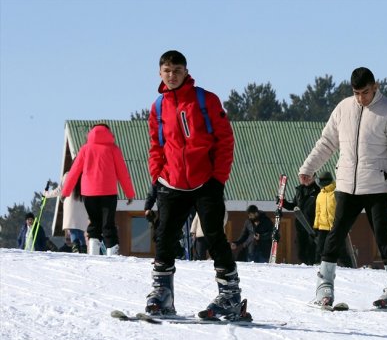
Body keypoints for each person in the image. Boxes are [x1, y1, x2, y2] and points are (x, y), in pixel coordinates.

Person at [298, 67, 387, 308]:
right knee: (335, 232)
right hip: (347, 185)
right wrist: (309, 167)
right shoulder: (344, 108)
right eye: (357, 93)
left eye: (366, 92)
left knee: (383, 234)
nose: (361, 98)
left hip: (377, 186)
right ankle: (324, 284)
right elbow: (327, 142)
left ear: (376, 86)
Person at [145, 49, 242, 318]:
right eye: (167, 71)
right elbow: (156, 145)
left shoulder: (205, 100)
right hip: (171, 182)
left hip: (205, 181)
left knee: (213, 235)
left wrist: (218, 177)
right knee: (164, 236)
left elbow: (225, 140)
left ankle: (229, 295)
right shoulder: (158, 107)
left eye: (177, 70)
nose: (172, 75)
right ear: (160, 73)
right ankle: (162, 293)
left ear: (186, 72)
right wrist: (157, 177)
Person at [62, 123, 135, 256]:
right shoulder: (113, 149)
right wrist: (129, 193)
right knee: (108, 223)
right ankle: (112, 250)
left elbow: (74, 172)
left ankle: (93, 249)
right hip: (109, 192)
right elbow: (123, 173)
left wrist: (65, 191)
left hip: (89, 193)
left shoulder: (85, 149)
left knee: (94, 221)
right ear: (109, 133)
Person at [313, 171, 352, 267]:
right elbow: (318, 212)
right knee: (320, 248)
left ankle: (347, 266)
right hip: (323, 227)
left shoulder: (336, 193)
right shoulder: (320, 195)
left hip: (335, 226)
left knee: (340, 248)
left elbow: (343, 210)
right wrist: (316, 226)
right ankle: (318, 264)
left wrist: (345, 225)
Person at [45, 172, 88, 253]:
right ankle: (83, 248)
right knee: (80, 230)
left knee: (73, 229)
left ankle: (76, 248)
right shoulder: (85, 175)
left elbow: (59, 190)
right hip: (82, 205)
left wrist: (47, 194)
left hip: (71, 206)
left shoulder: (68, 175)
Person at [283, 178, 320, 265]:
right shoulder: (299, 190)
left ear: (313, 177)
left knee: (312, 252)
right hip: (300, 226)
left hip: (313, 227)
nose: (305, 179)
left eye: (307, 176)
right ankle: (307, 266)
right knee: (301, 253)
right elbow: (294, 206)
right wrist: (283, 202)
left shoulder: (318, 191)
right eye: (302, 177)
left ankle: (312, 267)